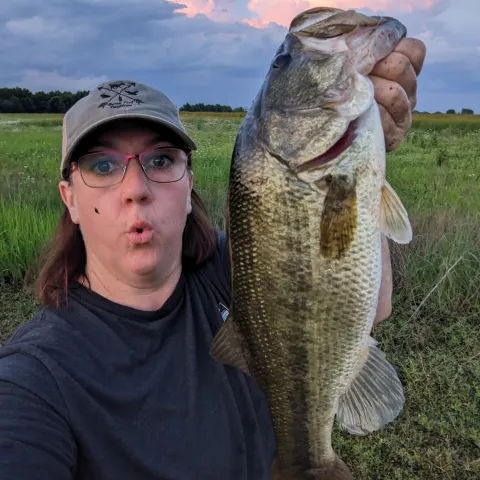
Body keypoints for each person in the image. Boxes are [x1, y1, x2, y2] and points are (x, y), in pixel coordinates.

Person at [0, 36, 426, 480]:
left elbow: (369, 301)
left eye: (160, 160)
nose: (135, 189)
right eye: (103, 166)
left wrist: (362, 164)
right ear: (70, 198)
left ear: (188, 185)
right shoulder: (34, 379)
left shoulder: (242, 267)